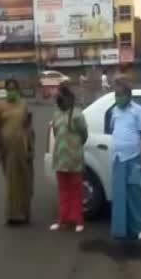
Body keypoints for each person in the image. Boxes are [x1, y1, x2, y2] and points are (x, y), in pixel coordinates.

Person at [109, 79, 141, 240]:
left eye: (119, 95)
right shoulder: (115, 110)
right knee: (119, 195)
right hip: (118, 158)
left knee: (136, 193)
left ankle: (140, 228)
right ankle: (120, 229)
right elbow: (113, 129)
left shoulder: (139, 111)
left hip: (134, 157)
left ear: (128, 95)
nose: (117, 98)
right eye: (115, 94)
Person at [0, 79, 34, 225]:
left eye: (13, 88)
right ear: (6, 90)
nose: (11, 91)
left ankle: (24, 214)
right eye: (9, 89)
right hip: (7, 149)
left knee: (24, 180)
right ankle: (12, 215)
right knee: (11, 181)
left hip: (22, 147)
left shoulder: (23, 104)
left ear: (17, 90)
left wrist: (30, 146)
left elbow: (29, 126)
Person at [49, 85, 88, 233]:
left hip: (74, 158)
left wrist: (76, 145)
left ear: (67, 97)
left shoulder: (77, 114)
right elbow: (55, 132)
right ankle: (63, 220)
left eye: (60, 96)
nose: (58, 99)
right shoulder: (56, 114)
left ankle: (78, 220)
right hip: (60, 157)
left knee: (76, 190)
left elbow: (84, 134)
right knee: (63, 190)